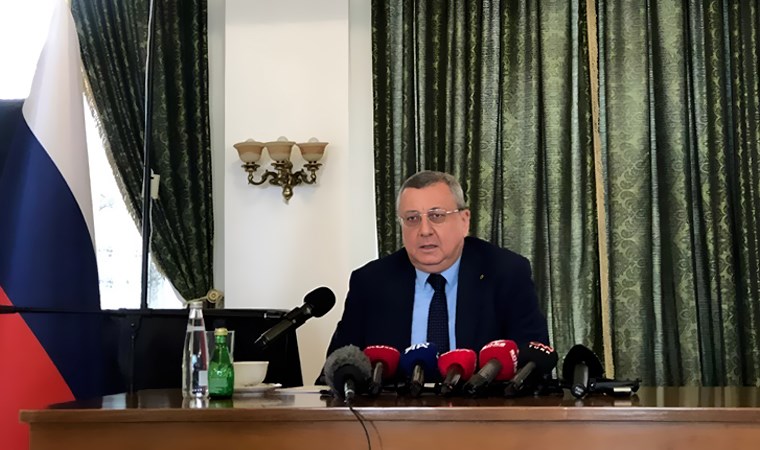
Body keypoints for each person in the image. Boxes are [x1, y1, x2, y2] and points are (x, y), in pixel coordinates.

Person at [325, 170, 549, 359]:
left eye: (437, 216)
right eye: (412, 218)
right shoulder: (371, 283)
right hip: (396, 400)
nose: (424, 230)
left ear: (464, 221)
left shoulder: (506, 273)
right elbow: (336, 371)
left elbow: (534, 366)